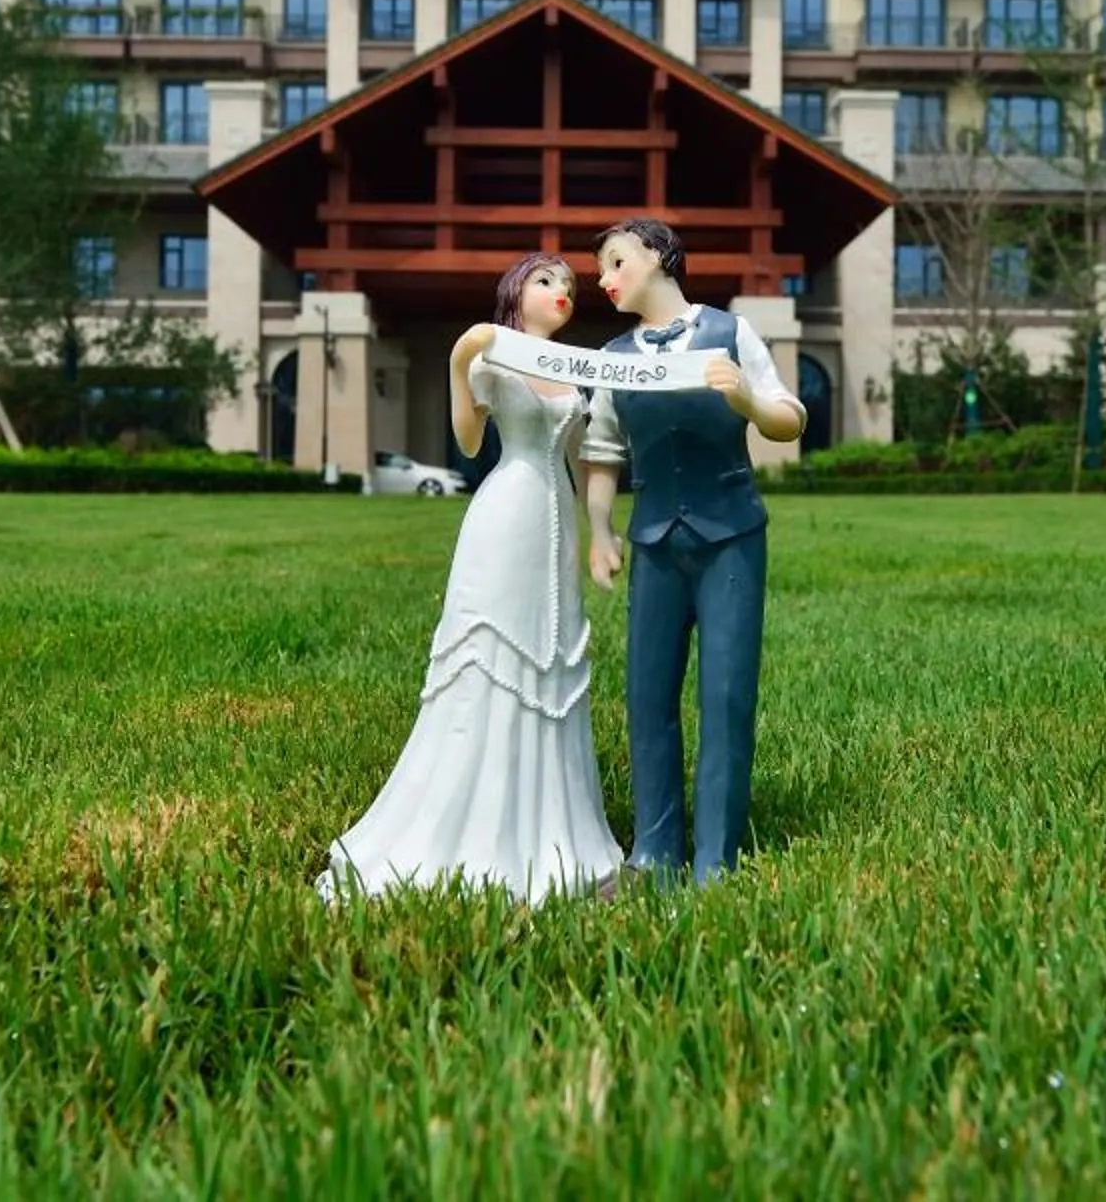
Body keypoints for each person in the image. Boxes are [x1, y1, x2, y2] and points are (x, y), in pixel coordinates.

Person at [318, 252, 622, 905]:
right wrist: (460, 364)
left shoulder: (571, 373)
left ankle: (557, 823)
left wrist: (600, 532)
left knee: (553, 656)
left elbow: (581, 455)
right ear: (517, 293)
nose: (561, 293)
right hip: (507, 509)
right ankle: (473, 817)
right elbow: (468, 440)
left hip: (557, 515)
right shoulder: (492, 355)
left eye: (568, 285)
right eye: (546, 282)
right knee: (493, 652)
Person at [579, 217, 805, 889]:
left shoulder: (730, 332)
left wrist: (746, 398)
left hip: (730, 533)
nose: (604, 278)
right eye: (601, 269)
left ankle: (717, 857)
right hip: (654, 539)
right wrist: (600, 530)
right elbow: (601, 454)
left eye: (616, 262)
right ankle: (654, 849)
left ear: (656, 256)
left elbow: (789, 418)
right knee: (647, 697)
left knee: (726, 695)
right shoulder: (613, 357)